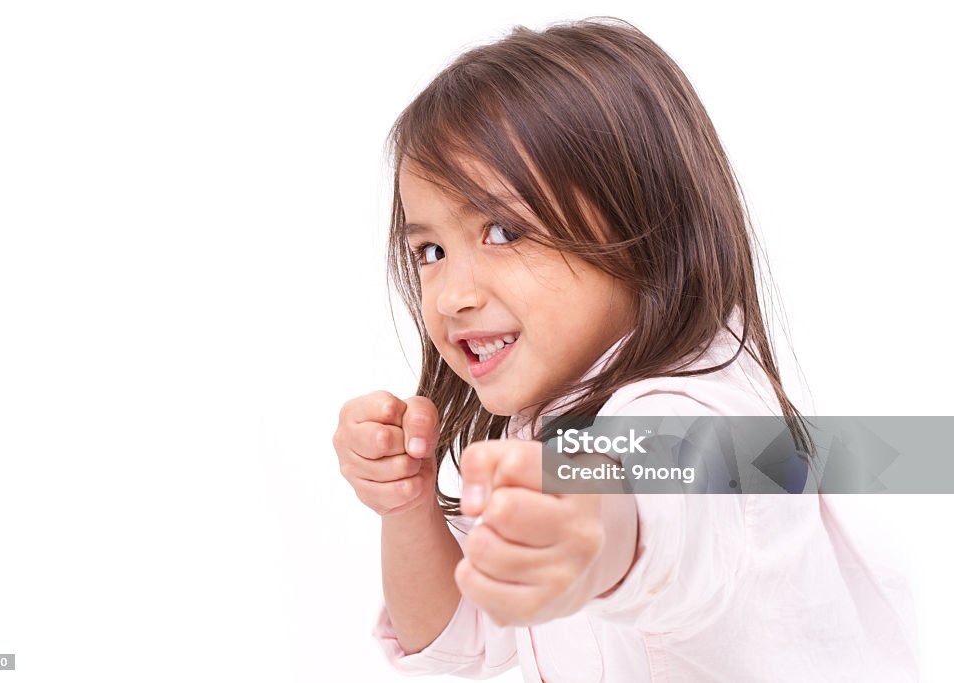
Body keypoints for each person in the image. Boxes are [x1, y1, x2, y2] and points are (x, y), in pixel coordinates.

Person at [332, 17, 918, 681]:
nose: (450, 296)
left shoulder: (708, 408)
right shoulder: (550, 415)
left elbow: (663, 480)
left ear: (643, 224)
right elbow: (452, 639)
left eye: (503, 230)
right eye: (431, 250)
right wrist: (406, 506)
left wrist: (590, 516)